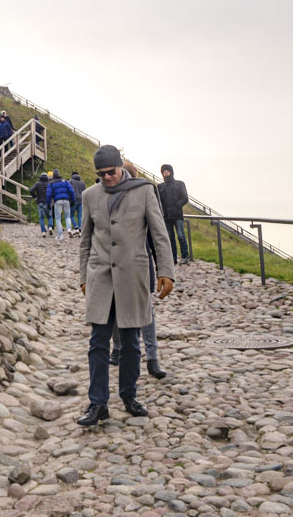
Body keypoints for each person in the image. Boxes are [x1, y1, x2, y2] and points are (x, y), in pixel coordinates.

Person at [77, 145, 174, 426]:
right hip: (100, 277)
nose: (107, 177)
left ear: (120, 166)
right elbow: (85, 240)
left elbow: (159, 234)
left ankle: (129, 396)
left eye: (111, 171)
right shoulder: (89, 196)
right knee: (98, 342)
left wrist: (166, 271)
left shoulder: (144, 191)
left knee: (131, 342)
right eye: (102, 174)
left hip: (133, 276)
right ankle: (97, 403)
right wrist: (83, 277)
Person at [110, 160, 167, 379]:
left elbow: (154, 233)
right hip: (119, 263)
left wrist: (162, 268)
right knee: (123, 308)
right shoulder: (108, 196)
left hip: (138, 262)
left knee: (139, 308)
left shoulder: (144, 195)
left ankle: (146, 356)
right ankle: (142, 355)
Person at [158, 163, 190, 263]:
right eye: (164, 172)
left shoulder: (180, 184)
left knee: (181, 236)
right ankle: (173, 258)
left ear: (171, 172)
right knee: (170, 237)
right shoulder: (160, 186)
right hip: (166, 216)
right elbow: (158, 201)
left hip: (177, 215)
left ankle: (185, 257)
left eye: (167, 171)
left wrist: (176, 206)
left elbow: (185, 198)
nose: (166, 173)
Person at [46, 169, 75, 241]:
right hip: (66, 200)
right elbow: (71, 191)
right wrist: (72, 200)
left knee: (58, 218)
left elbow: (48, 194)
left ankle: (60, 235)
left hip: (57, 201)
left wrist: (48, 203)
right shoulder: (65, 181)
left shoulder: (51, 183)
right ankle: (69, 229)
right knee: (67, 216)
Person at [30, 173, 52, 237]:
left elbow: (31, 190)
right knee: (49, 216)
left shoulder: (37, 183)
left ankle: (43, 231)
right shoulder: (49, 184)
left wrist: (35, 197)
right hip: (48, 202)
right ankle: (50, 227)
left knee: (41, 218)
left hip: (40, 202)